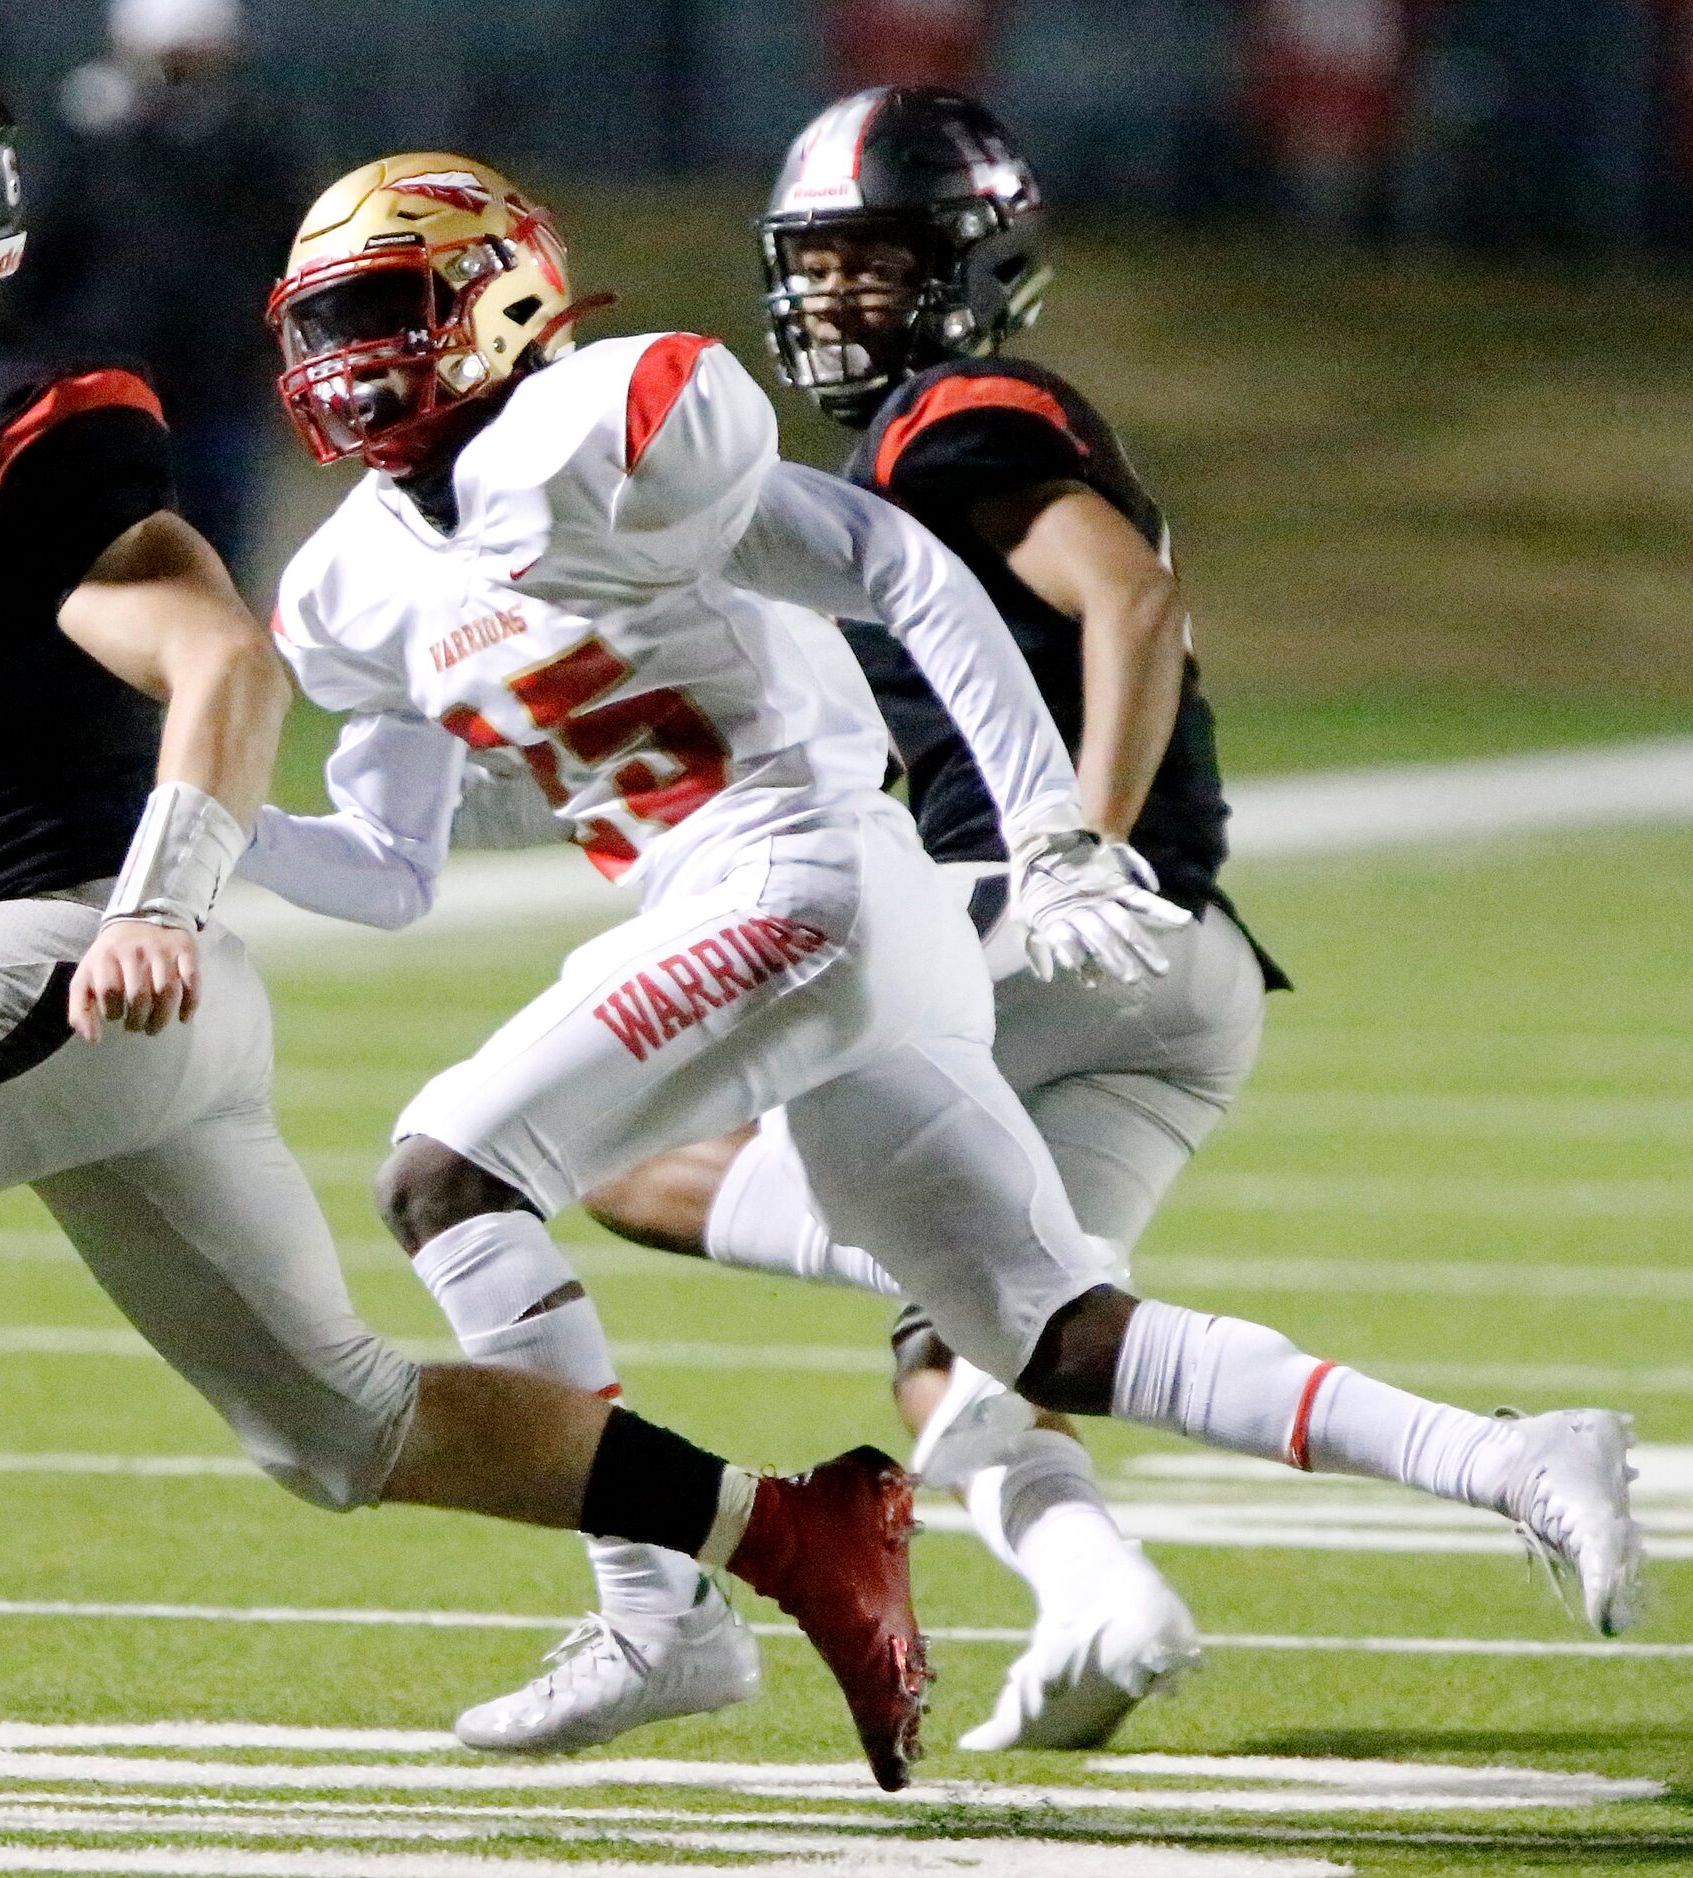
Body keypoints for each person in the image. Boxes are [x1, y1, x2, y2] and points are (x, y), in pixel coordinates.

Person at [0, 46, 934, 1790]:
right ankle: (795, 1529)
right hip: (107, 1005)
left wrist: (160, 896)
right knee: (339, 1423)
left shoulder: (5, 420)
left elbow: (218, 656)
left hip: (75, 955)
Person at [237, 150, 1642, 1760]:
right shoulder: (350, 581)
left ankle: (656, 1617)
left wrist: (1048, 822)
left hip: (802, 874)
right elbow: (389, 871)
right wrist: (190, 839)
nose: (345, 355)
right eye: (321, 321)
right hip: (802, 922)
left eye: (380, 309)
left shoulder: (609, 422)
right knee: (1046, 1333)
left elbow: (902, 568)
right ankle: (1516, 1457)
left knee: (446, 1171)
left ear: (498, 292)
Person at [571, 86, 1284, 1753]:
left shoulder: (956, 413)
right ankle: (1101, 1590)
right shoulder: (903, 442)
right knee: (977, 1329)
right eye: (816, 264)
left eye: (875, 262)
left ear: (976, 260)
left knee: (603, 1139)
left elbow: (1129, 597)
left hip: (1028, 921)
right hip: (1183, 968)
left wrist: (1072, 843)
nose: (834, 299)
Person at [16, 0, 306, 576]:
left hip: (217, 391)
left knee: (214, 560)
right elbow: (43, 261)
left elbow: (285, 253)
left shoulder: (251, 141)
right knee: (109, 562)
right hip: (109, 386)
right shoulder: (87, 143)